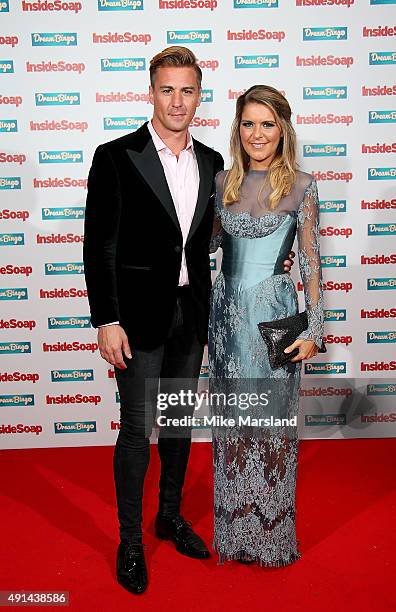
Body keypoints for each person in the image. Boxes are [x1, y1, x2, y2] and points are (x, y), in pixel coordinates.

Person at [84, 48, 295, 595]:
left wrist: (281, 250)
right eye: (166, 90)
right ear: (150, 93)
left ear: (199, 97)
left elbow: (230, 232)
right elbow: (98, 246)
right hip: (136, 318)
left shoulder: (212, 166)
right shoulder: (115, 157)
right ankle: (131, 541)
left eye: (187, 91)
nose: (177, 101)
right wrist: (106, 319)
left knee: (177, 425)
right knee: (137, 430)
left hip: (193, 316)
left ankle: (169, 516)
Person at [208, 85, 324, 566]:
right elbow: (208, 246)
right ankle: (236, 533)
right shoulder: (221, 183)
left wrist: (313, 329)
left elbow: (312, 265)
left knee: (272, 426)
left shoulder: (301, 183)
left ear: (283, 129)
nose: (258, 134)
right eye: (249, 123)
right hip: (225, 319)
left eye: (267, 124)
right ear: (238, 129)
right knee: (232, 425)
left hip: (273, 318)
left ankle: (271, 534)